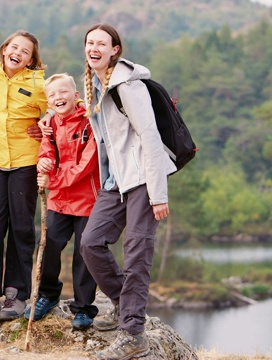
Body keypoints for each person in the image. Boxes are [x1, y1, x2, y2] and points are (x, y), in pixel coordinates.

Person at [78, 23, 176, 360]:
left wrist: (158, 193)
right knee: (91, 243)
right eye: (90, 42)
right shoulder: (94, 84)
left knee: (136, 251)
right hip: (115, 182)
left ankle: (133, 334)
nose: (94, 47)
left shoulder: (128, 86)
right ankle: (125, 306)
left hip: (143, 179)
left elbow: (149, 138)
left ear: (114, 50)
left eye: (101, 43)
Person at [0, 30, 49, 326]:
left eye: (25, 51)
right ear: (4, 48)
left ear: (31, 59)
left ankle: (17, 294)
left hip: (24, 163)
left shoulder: (40, 83)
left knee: (21, 228)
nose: (17, 52)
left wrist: (44, 123)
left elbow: (65, 106)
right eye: (13, 46)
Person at [25, 73, 99, 330]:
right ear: (48, 101)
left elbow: (86, 167)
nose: (58, 97)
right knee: (49, 246)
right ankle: (47, 294)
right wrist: (43, 162)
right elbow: (46, 150)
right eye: (52, 94)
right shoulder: (50, 125)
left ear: (75, 95)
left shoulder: (90, 122)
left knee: (85, 252)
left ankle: (84, 307)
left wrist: (51, 179)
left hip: (88, 199)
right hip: (59, 201)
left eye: (63, 92)